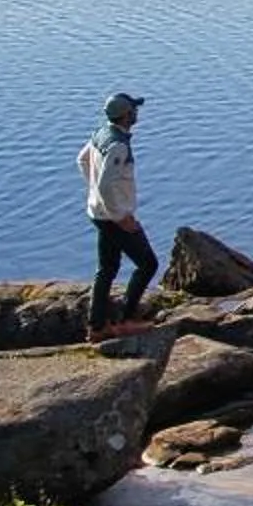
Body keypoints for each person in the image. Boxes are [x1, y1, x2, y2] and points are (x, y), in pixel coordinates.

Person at [79, 91, 158, 338]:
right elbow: (104, 185)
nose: (137, 113)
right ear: (126, 115)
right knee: (148, 264)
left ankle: (98, 326)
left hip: (98, 213)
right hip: (113, 218)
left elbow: (81, 160)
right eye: (133, 110)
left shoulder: (100, 134)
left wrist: (94, 195)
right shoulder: (118, 145)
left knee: (107, 268)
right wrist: (120, 216)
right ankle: (125, 319)